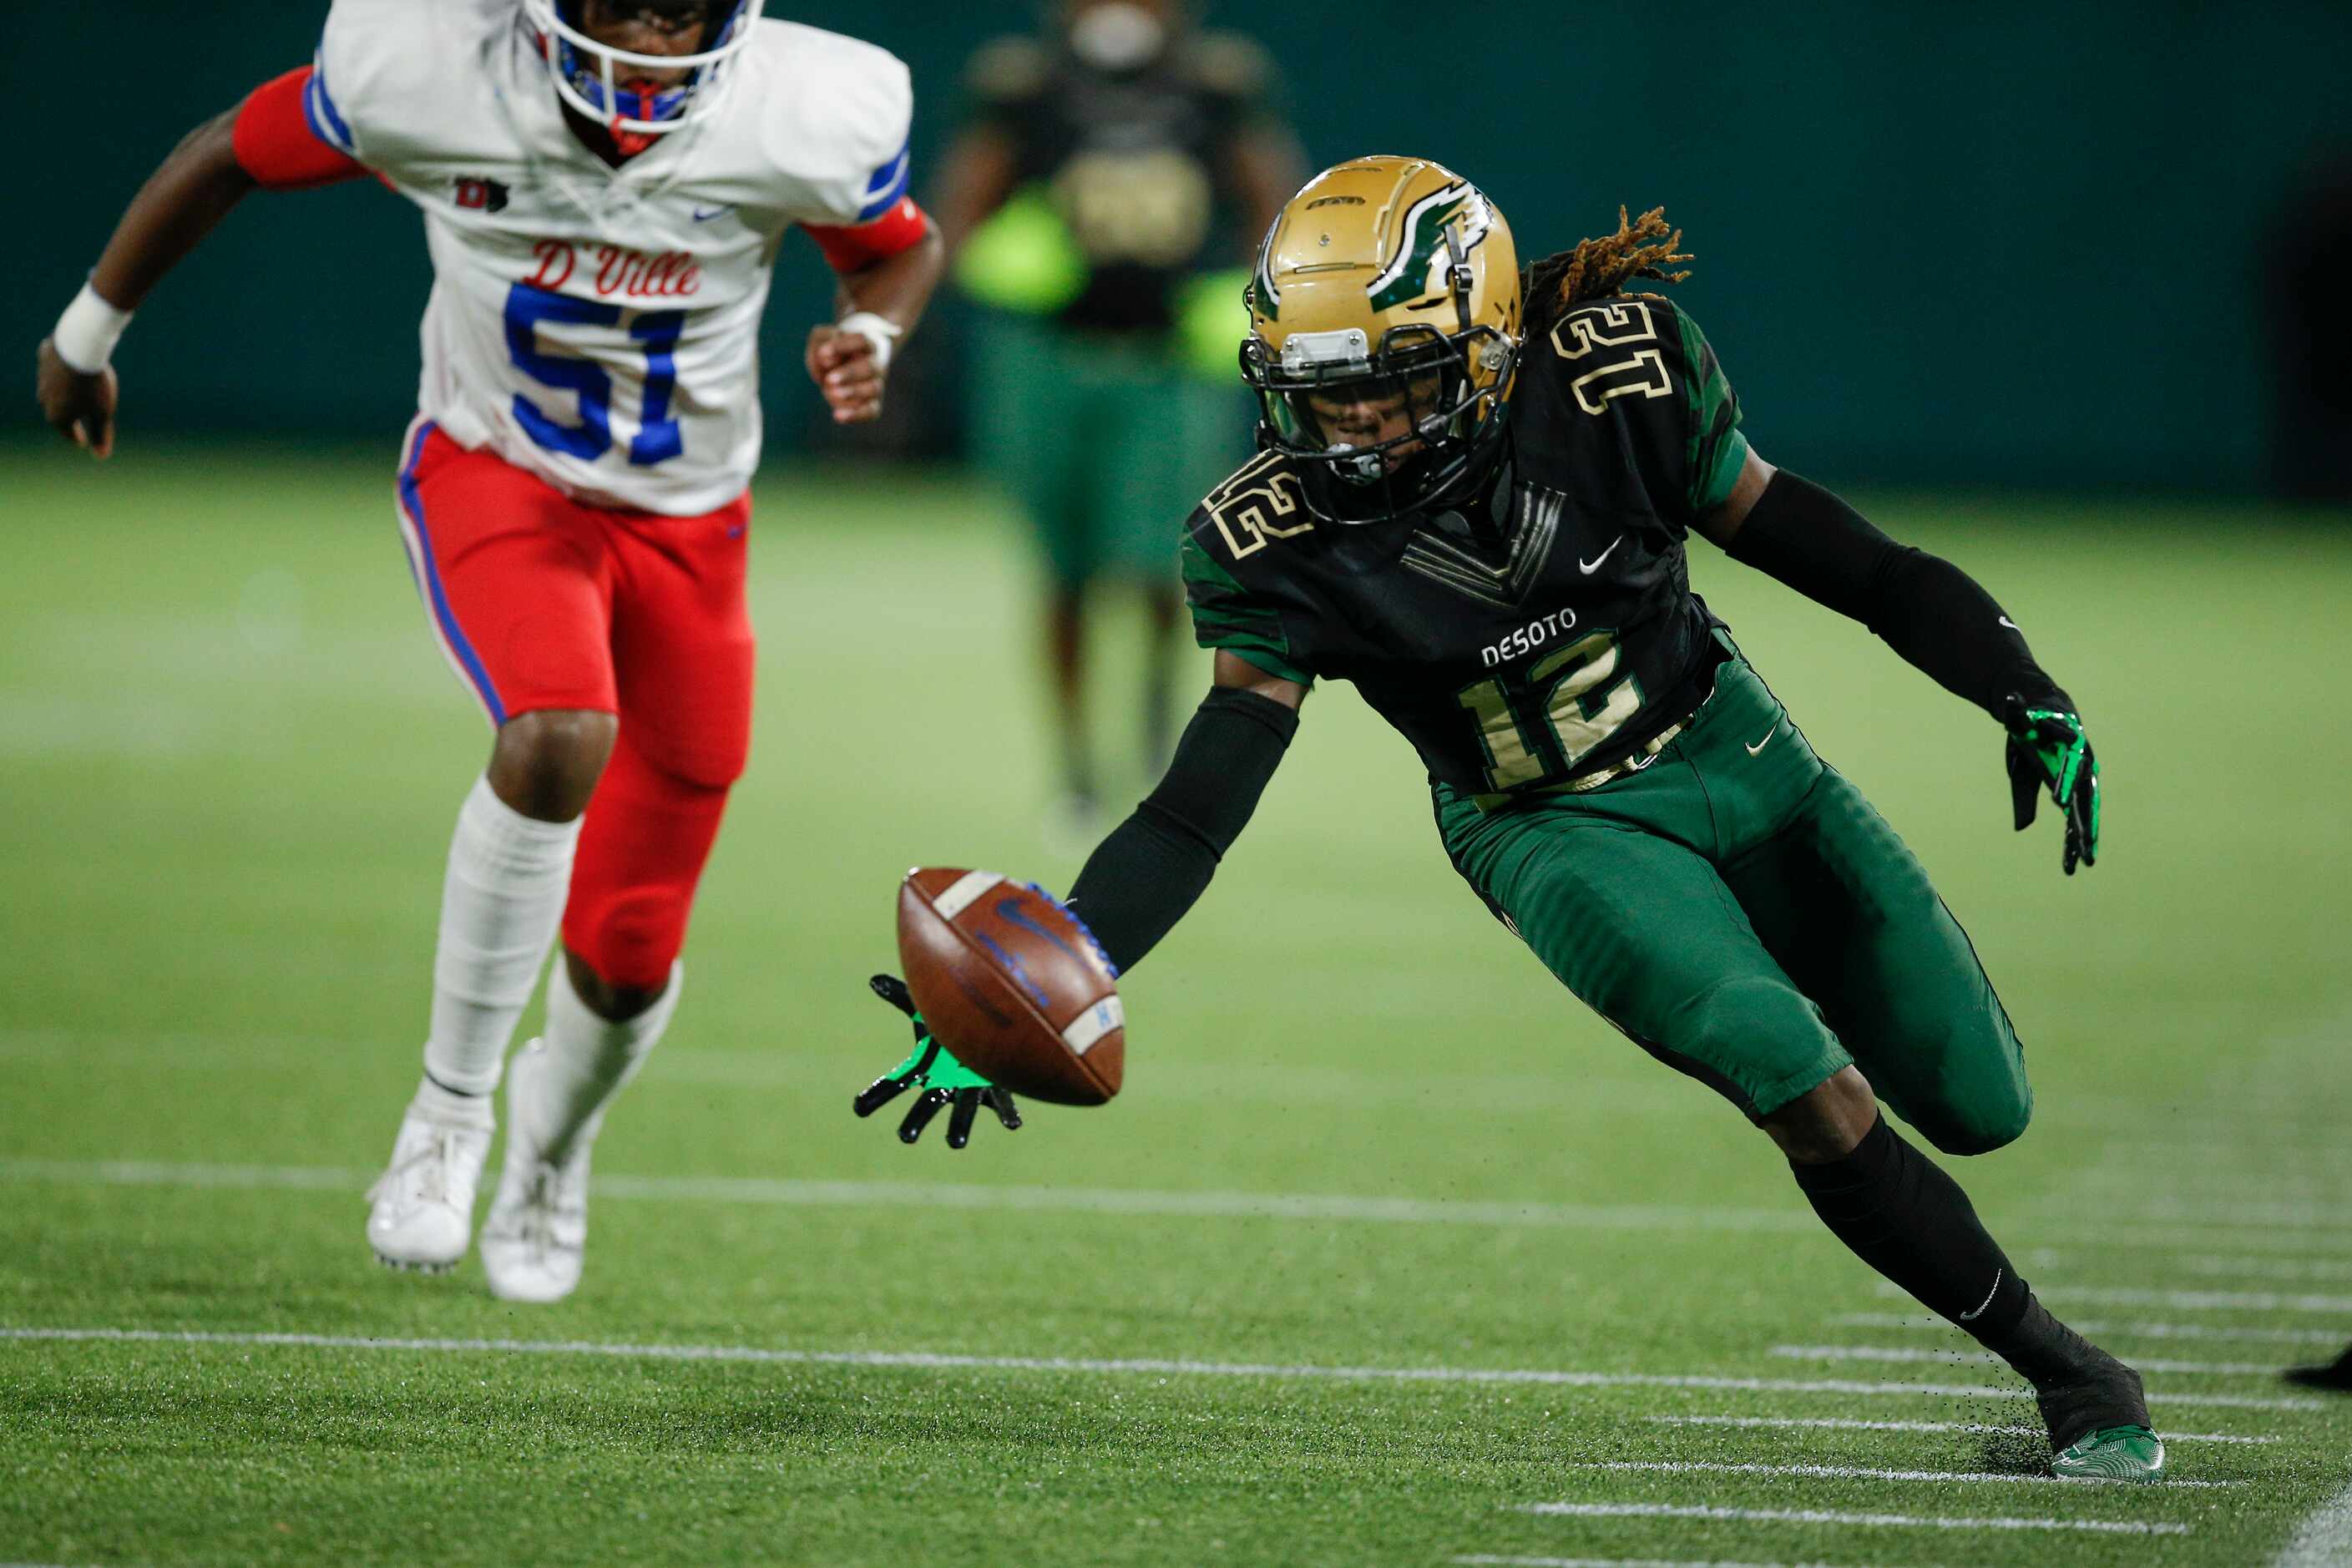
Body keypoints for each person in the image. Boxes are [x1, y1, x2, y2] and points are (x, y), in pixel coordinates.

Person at [858, 155, 2162, 1482]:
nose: (1353, 428)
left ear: (1486, 348)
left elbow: (1850, 559)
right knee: (1803, 1083)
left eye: (1389, 386)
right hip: (1546, 827)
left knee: (1981, 1102)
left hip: (1744, 754)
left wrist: (2017, 684)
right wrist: (1053, 969)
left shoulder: (1617, 381)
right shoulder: (1269, 535)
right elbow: (1199, 804)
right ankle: (2071, 1372)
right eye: (1324, 396)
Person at [36, 0, 945, 1303]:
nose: (647, 31)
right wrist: (84, 333)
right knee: (558, 727)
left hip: (692, 527)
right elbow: (226, 149)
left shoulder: (803, 106)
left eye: (677, 6)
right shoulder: (432, 71)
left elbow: (898, 249)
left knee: (629, 957)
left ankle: (548, 1156)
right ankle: (448, 1115)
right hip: (498, 473)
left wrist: (874, 330)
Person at [931, 0, 1302, 837]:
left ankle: (1155, 730)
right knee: (1063, 570)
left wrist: (1244, 300)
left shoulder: (1216, 83)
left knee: (1166, 563)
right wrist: (1002, 262)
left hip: (1167, 367)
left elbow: (1275, 210)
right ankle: (1074, 768)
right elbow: (961, 217)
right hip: (1051, 363)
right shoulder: (1024, 85)